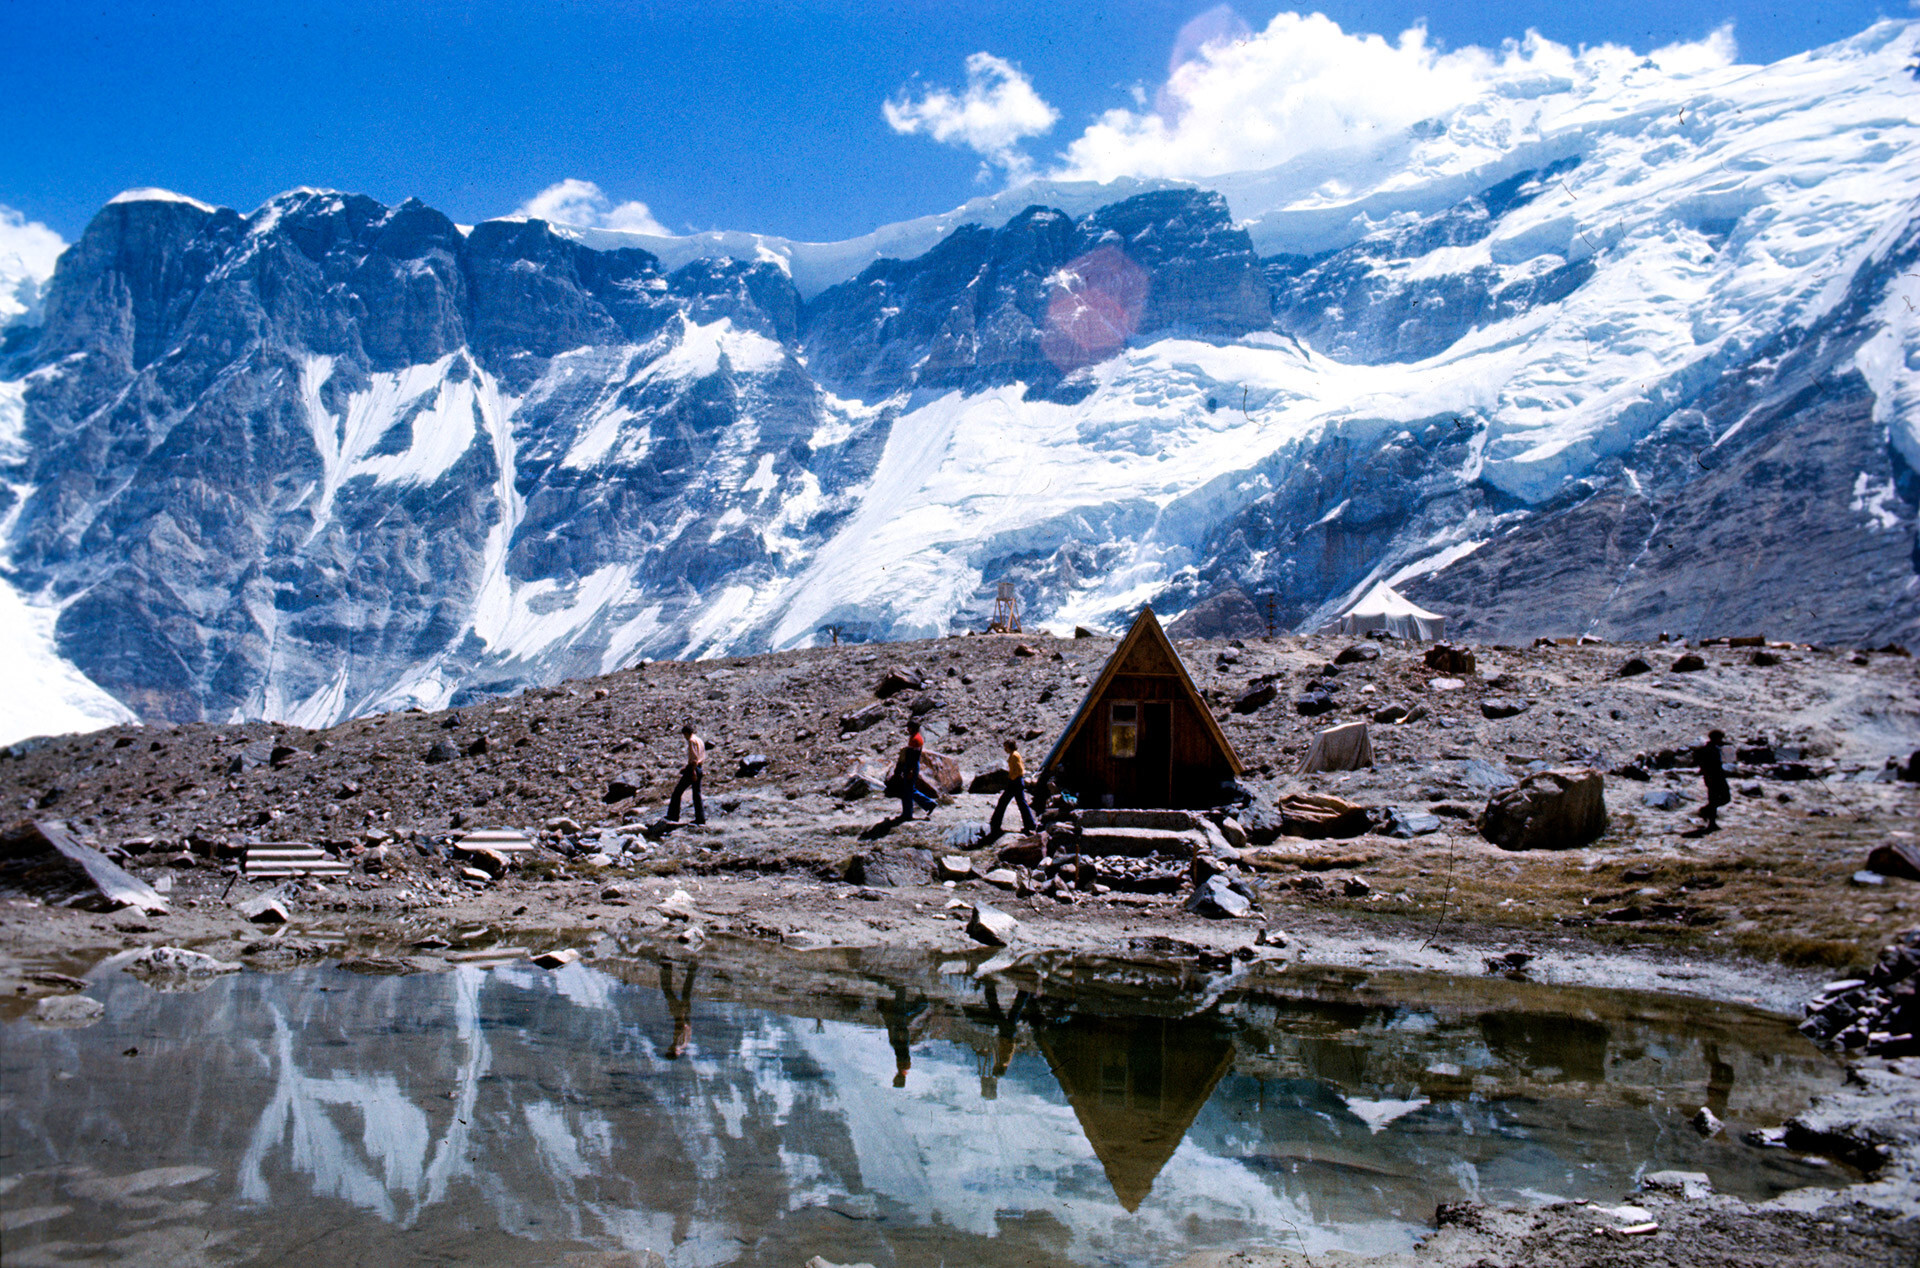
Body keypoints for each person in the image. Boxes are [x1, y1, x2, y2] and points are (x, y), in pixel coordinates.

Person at [988, 737, 1036, 834]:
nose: (1005, 749)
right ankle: (1030, 825)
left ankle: (995, 824)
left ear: (1010, 747)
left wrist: (1012, 778)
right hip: (1017, 782)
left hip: (1015, 782)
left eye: (1006, 747)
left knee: (1003, 802)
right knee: (1022, 804)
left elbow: (1019, 770)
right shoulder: (1014, 755)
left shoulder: (1014, 756)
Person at [895, 721, 936, 821]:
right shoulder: (916, 737)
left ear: (913, 728)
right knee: (909, 790)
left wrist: (910, 770)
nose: (907, 729)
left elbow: (913, 757)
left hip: (911, 766)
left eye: (909, 727)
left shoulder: (915, 739)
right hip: (911, 766)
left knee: (908, 790)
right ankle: (925, 806)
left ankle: (910, 813)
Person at [666, 723, 705, 825]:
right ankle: (701, 818)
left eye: (685, 735)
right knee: (697, 794)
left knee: (677, 792)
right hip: (700, 768)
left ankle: (673, 816)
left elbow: (694, 758)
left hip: (693, 769)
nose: (685, 738)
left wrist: (691, 770)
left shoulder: (692, 740)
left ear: (687, 733)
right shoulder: (699, 740)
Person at [658, 958, 697, 1059]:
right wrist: (683, 1015)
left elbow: (687, 1028)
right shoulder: (679, 1044)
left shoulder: (682, 1044)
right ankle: (667, 968)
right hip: (680, 1014)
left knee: (685, 992)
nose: (669, 1048)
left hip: (682, 1014)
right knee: (668, 991)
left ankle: (692, 968)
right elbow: (684, 1027)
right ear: (674, 1052)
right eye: (670, 1050)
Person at [1698, 728, 1730, 832]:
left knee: (1716, 800)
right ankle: (1708, 816)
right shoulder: (1710, 750)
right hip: (1715, 778)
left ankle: (1710, 819)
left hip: (1714, 778)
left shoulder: (1710, 748)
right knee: (1723, 798)